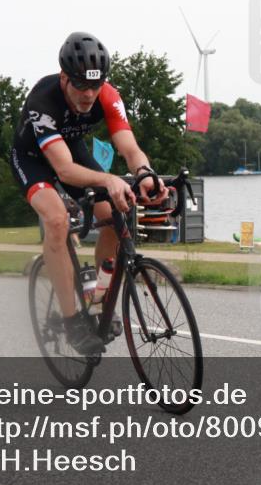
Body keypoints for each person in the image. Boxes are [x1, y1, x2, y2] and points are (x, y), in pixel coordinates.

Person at [10, 31, 166, 354]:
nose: (90, 94)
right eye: (81, 85)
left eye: (96, 85)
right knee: (56, 221)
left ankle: (98, 302)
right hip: (33, 160)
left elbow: (129, 147)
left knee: (112, 214)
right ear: (64, 78)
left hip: (71, 149)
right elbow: (64, 171)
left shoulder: (107, 95)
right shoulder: (43, 102)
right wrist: (109, 180)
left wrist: (145, 173)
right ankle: (72, 321)